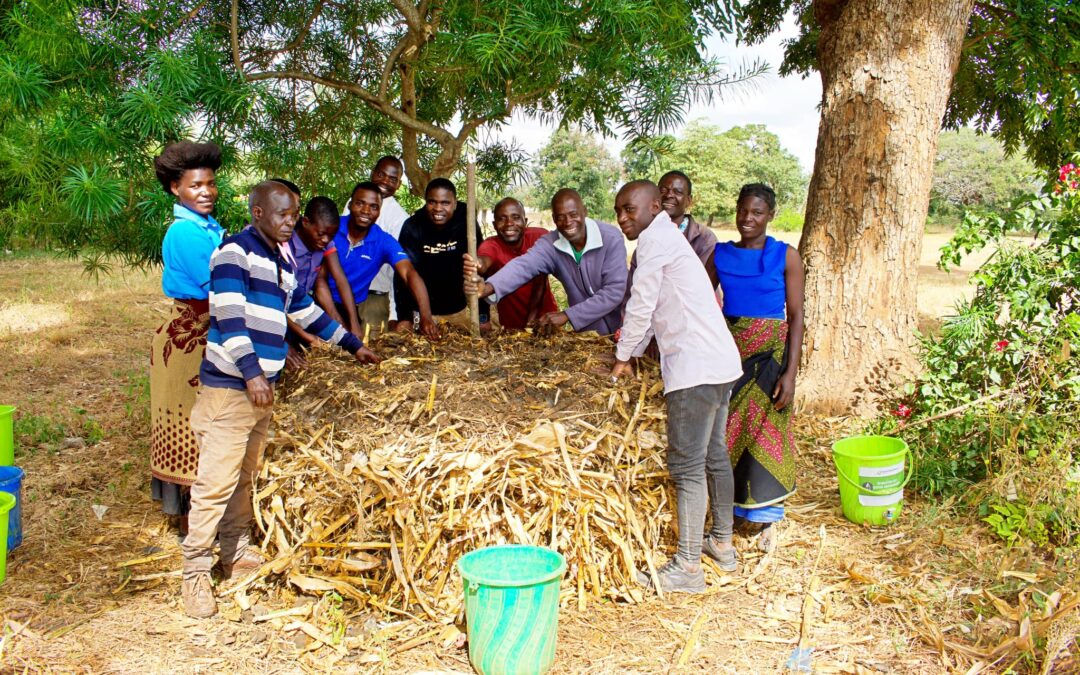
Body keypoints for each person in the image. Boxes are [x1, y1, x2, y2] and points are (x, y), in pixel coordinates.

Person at [181, 181, 379, 618]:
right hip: (231, 390)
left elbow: (305, 310)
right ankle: (194, 572)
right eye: (283, 215)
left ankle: (234, 550)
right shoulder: (236, 252)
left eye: (293, 215)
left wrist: (352, 344)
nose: (290, 222)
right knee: (215, 483)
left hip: (259, 393)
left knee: (244, 476)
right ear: (257, 213)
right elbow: (229, 318)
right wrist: (252, 373)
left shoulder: (279, 260)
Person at [610, 180, 743, 593]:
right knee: (714, 456)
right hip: (720, 362)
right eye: (618, 211)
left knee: (687, 465)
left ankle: (687, 567)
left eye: (630, 209)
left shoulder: (654, 242)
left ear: (653, 207)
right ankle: (721, 544)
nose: (623, 218)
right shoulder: (667, 237)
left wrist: (622, 357)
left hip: (695, 367)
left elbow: (642, 303)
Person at [714, 183, 805, 552]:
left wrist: (791, 374)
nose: (747, 219)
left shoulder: (786, 256)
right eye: (743, 211)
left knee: (769, 430)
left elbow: (797, 317)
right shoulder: (719, 255)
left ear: (770, 215)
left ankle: (766, 517)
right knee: (730, 430)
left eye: (757, 213)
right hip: (731, 355)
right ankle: (733, 507)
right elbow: (702, 303)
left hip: (771, 358)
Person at [149, 141, 224, 536]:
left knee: (205, 422)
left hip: (204, 332)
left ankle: (201, 519)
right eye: (196, 186)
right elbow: (219, 287)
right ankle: (188, 524)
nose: (206, 192)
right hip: (188, 338)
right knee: (187, 424)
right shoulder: (185, 233)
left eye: (210, 184)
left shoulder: (208, 227)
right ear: (175, 188)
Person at [463, 189, 626, 336]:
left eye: (573, 214)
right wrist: (487, 288)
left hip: (624, 324)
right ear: (554, 219)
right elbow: (523, 266)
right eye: (560, 217)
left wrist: (568, 315)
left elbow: (614, 291)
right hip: (590, 331)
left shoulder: (610, 237)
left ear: (585, 211)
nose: (568, 222)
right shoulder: (550, 244)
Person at [321, 181, 440, 340]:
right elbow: (317, 277)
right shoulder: (331, 228)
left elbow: (409, 273)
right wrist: (338, 321)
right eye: (360, 203)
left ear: (379, 211)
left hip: (352, 308)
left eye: (373, 207)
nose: (366, 211)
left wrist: (426, 316)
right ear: (350, 205)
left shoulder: (383, 241)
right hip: (319, 301)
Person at [395, 178, 490, 332]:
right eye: (432, 202)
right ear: (425, 202)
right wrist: (404, 318)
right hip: (422, 312)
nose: (438, 208)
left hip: (459, 310)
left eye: (445, 203)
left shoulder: (466, 222)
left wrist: (483, 316)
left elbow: (479, 269)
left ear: (455, 204)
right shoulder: (413, 226)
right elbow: (404, 275)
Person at [283, 196, 358, 370]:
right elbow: (281, 304)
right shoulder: (286, 246)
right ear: (305, 222)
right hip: (281, 316)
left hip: (304, 311)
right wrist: (308, 337)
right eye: (321, 233)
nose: (325, 240)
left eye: (331, 235)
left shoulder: (324, 244)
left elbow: (329, 281)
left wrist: (346, 326)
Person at [472, 197, 558, 330]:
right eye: (502, 218)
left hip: (547, 319)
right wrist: (477, 264)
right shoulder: (491, 245)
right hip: (512, 325)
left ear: (525, 221)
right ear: (494, 225)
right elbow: (483, 262)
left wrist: (532, 317)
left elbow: (540, 280)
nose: (509, 223)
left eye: (516, 217)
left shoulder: (540, 237)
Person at [365, 156, 411, 330]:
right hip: (344, 294)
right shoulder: (354, 202)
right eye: (381, 174)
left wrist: (394, 314)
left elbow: (399, 271)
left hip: (375, 298)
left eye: (392, 179)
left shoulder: (399, 219)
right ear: (372, 174)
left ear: (399, 185)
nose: (385, 181)